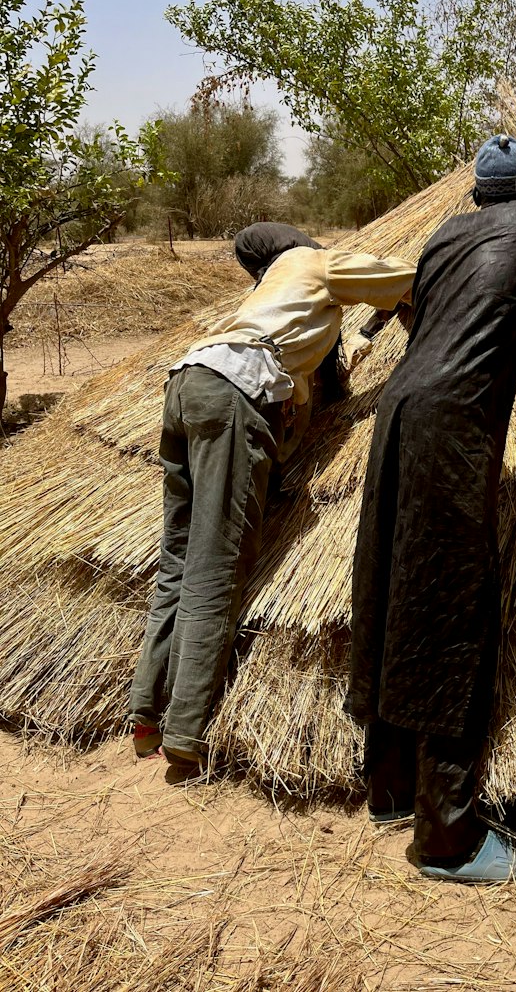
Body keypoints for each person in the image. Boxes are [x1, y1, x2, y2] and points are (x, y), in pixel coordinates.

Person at [349, 135, 516, 883]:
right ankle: (446, 837)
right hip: (455, 421)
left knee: (392, 584)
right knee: (454, 608)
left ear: (478, 194)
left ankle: (389, 788)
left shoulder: (442, 235)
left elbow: (424, 322)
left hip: (400, 407)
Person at [129, 222, 415, 773]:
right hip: (235, 395)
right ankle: (185, 731)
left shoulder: (264, 296)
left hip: (186, 383)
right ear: (300, 244)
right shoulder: (312, 263)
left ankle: (146, 713)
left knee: (179, 558)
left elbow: (311, 377)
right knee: (219, 561)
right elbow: (405, 276)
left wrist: (352, 343)